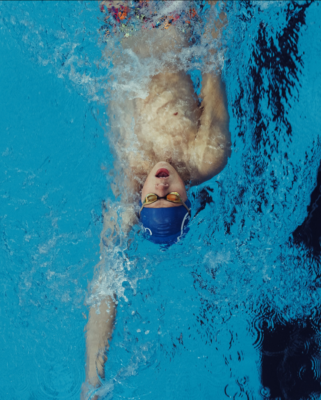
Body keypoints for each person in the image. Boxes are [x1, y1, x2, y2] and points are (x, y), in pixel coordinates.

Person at [81, 1, 230, 399]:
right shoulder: (206, 154)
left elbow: (105, 286)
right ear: (187, 200)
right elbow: (213, 64)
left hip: (119, 27)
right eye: (173, 195)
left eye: (153, 196)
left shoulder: (128, 184)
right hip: (171, 21)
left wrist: (92, 375)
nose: (162, 184)